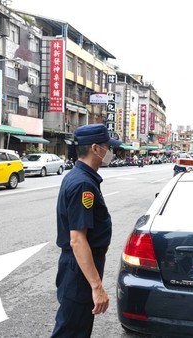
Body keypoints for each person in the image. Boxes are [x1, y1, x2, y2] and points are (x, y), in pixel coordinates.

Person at [51, 124, 121, 337]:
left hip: (78, 268)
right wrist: (97, 286)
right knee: (71, 331)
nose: (110, 152)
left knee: (76, 329)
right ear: (95, 148)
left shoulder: (82, 178)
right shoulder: (83, 184)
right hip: (79, 272)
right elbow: (77, 240)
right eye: (107, 147)